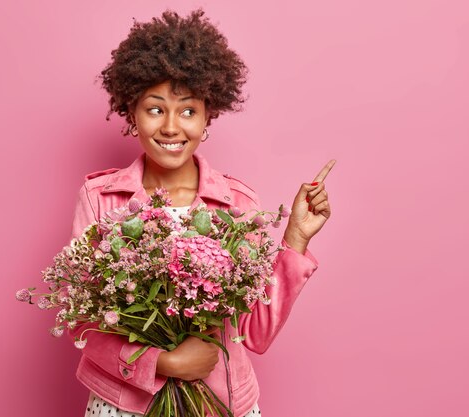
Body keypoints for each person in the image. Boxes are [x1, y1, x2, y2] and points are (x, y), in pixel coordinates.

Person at [68, 9, 334, 417]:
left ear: (208, 116)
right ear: (131, 113)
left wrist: (295, 239)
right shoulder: (100, 198)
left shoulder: (237, 203)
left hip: (221, 402)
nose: (172, 127)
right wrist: (163, 364)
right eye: (155, 108)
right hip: (124, 406)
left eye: (188, 110)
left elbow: (254, 332)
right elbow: (83, 322)